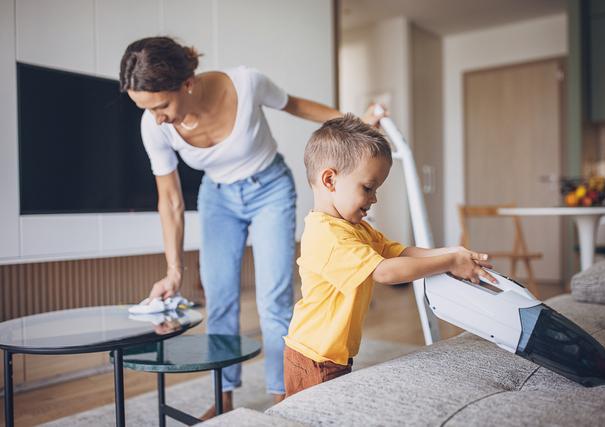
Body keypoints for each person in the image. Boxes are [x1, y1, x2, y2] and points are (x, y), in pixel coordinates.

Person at [119, 36, 382, 417]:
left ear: (188, 83)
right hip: (217, 196)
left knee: (273, 301)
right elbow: (171, 201)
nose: (156, 117)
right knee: (220, 299)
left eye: (161, 105)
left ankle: (283, 398)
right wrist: (173, 270)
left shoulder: (245, 83)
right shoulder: (153, 125)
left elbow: (295, 105)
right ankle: (223, 396)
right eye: (147, 109)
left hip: (269, 187)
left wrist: (353, 121)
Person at [283, 114, 497, 397]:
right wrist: (449, 262)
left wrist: (452, 252)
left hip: (330, 353)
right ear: (330, 180)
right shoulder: (328, 236)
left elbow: (401, 252)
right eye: (368, 188)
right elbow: (385, 271)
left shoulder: (356, 228)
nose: (374, 199)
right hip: (314, 356)